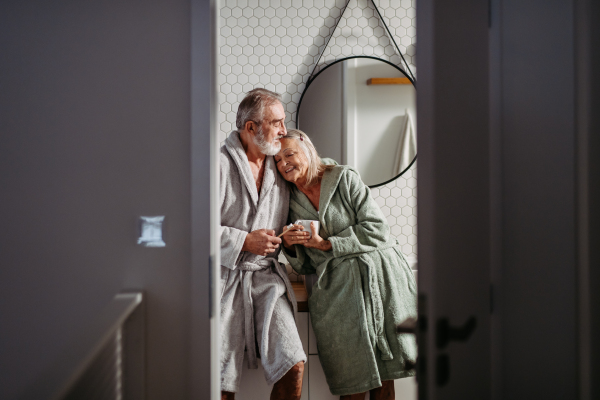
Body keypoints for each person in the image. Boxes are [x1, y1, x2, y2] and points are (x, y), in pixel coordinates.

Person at [275, 129, 417, 399]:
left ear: (307, 148)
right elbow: (306, 267)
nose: (284, 164)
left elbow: (378, 230)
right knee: (352, 381)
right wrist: (291, 244)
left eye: (289, 154)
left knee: (385, 377)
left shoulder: (343, 178)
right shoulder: (289, 200)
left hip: (380, 277)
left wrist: (328, 244)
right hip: (338, 292)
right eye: (278, 161)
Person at [219, 89, 306, 400]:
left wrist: (291, 239)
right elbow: (193, 231)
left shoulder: (279, 168)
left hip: (266, 278)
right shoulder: (217, 166)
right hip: (224, 281)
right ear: (251, 127)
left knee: (293, 364)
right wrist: (244, 240)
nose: (283, 130)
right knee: (219, 382)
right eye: (277, 122)